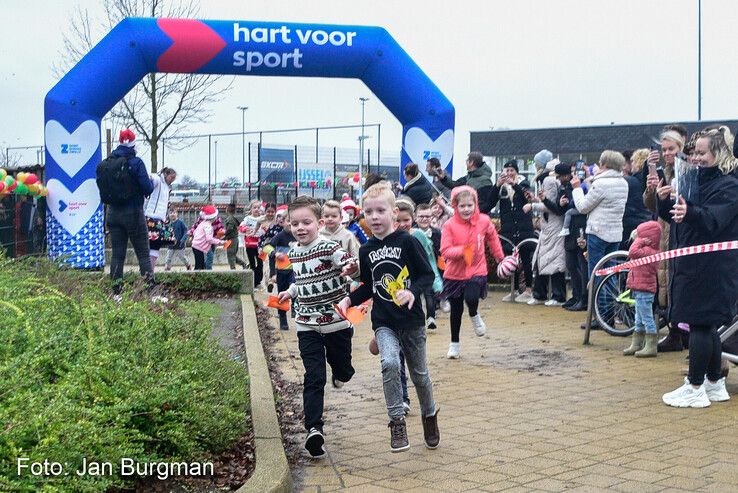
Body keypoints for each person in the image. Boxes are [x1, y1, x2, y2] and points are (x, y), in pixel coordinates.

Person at [338, 183, 440, 453]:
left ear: (394, 213)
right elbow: (369, 287)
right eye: (368, 212)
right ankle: (396, 422)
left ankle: (429, 414)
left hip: (412, 321)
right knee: (389, 364)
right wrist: (350, 299)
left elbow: (426, 275)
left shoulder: (408, 241)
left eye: (380, 210)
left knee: (419, 375)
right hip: (383, 321)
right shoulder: (366, 250)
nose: (374, 217)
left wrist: (412, 292)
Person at [660, 128, 738, 407]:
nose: (695, 158)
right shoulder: (692, 180)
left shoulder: (728, 185)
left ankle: (694, 387)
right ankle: (714, 383)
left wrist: (689, 212)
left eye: (702, 153)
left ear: (718, 154)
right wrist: (664, 200)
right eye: (693, 153)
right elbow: (678, 216)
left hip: (711, 268)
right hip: (692, 263)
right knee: (707, 326)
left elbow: (713, 221)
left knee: (701, 324)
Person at [277, 196, 358, 458]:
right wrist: (290, 292)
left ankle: (340, 373)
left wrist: (350, 267)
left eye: (306, 222)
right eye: (295, 223)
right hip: (307, 325)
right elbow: (301, 279)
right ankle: (314, 429)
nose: (300, 228)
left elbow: (347, 262)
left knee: (344, 372)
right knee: (313, 377)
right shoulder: (295, 252)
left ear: (319, 223)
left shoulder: (329, 247)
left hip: (336, 323)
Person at [441, 186, 504, 359]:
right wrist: (463, 251)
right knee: (456, 310)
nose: (466, 209)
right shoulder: (449, 225)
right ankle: (454, 344)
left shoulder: (483, 221)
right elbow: (445, 250)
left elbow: (492, 238)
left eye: (470, 205)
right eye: (462, 206)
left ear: (475, 204)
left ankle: (474, 314)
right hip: (455, 273)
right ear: (455, 206)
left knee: (471, 297)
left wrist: (500, 257)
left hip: (477, 269)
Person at [571, 150, 629, 327]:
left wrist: (576, 189)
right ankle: (609, 315)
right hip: (615, 233)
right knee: (610, 273)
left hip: (598, 232)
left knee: (596, 274)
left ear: (604, 164)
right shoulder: (623, 182)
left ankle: (599, 317)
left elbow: (582, 207)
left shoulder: (601, 184)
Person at [106, 129, 159, 300]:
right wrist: (150, 180)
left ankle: (116, 294)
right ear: (134, 143)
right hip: (133, 213)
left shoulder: (109, 162)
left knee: (117, 255)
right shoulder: (136, 163)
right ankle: (150, 292)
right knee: (143, 254)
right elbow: (147, 188)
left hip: (113, 214)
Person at [488, 160, 537, 303]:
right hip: (509, 230)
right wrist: (497, 186)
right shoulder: (502, 188)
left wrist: (514, 185)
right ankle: (514, 290)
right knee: (511, 259)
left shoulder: (523, 184)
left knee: (525, 259)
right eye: (507, 170)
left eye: (512, 170)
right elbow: (490, 202)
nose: (509, 173)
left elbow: (525, 198)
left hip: (523, 228)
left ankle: (528, 290)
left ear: (516, 172)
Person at [524, 160, 567, 306]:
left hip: (551, 226)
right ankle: (551, 294)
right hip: (552, 226)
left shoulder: (548, 180)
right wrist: (536, 200)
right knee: (551, 260)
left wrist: (532, 205)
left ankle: (550, 295)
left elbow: (550, 206)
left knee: (550, 260)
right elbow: (550, 203)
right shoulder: (555, 181)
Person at [395, 199, 443, 330]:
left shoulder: (419, 235)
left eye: (406, 220)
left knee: (427, 295)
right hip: (396, 282)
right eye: (398, 221)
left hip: (417, 277)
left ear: (412, 219)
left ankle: (430, 318)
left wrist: (437, 281)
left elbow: (430, 259)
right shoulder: (388, 237)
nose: (402, 224)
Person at [622, 221, 662, 357]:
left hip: (645, 290)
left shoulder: (648, 251)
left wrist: (638, 241)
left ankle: (651, 345)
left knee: (647, 318)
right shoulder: (649, 250)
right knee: (638, 318)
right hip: (639, 289)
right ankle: (636, 343)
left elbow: (632, 251)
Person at [144, 167, 177, 270]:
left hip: (160, 219)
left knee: (156, 245)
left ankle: (150, 269)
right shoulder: (158, 180)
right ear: (166, 174)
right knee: (152, 244)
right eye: (172, 177)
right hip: (152, 217)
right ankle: (149, 270)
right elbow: (152, 177)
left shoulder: (167, 187)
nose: (172, 180)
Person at [270, 219, 295, 331]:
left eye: (292, 221)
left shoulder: (299, 234)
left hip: (295, 269)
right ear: (282, 222)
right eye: (287, 221)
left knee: (295, 288)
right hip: (282, 270)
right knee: (282, 294)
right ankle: (283, 318)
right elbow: (267, 247)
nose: (290, 224)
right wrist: (276, 253)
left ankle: (295, 308)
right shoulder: (280, 236)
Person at [241, 200, 266, 288]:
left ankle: (258, 281)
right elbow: (241, 227)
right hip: (250, 244)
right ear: (251, 209)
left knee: (260, 263)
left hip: (260, 245)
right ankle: (253, 281)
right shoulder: (247, 218)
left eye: (258, 207)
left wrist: (265, 229)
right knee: (252, 263)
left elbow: (267, 228)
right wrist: (245, 229)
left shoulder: (263, 218)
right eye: (254, 207)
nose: (256, 209)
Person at [191, 205, 225, 270]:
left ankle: (203, 274)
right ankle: (204, 274)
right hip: (200, 247)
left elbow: (195, 232)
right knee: (199, 266)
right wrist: (221, 242)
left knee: (200, 265)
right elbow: (209, 239)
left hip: (196, 246)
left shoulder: (203, 223)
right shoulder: (208, 226)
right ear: (213, 217)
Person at [223, 204, 248, 270]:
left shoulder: (230, 218)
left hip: (232, 239)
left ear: (227, 209)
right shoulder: (232, 218)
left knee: (231, 255)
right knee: (232, 255)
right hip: (234, 239)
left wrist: (224, 235)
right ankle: (243, 264)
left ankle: (233, 269)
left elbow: (230, 229)